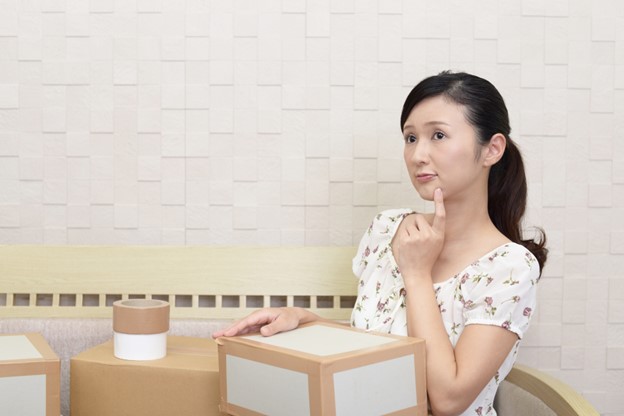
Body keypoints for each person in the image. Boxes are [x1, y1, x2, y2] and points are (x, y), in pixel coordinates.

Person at [213, 71, 548, 416]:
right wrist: (304, 323)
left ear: (492, 149)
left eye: (438, 135)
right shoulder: (387, 229)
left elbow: (447, 400)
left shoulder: (509, 267)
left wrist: (416, 274)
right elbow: (374, 349)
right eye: (410, 138)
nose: (419, 154)